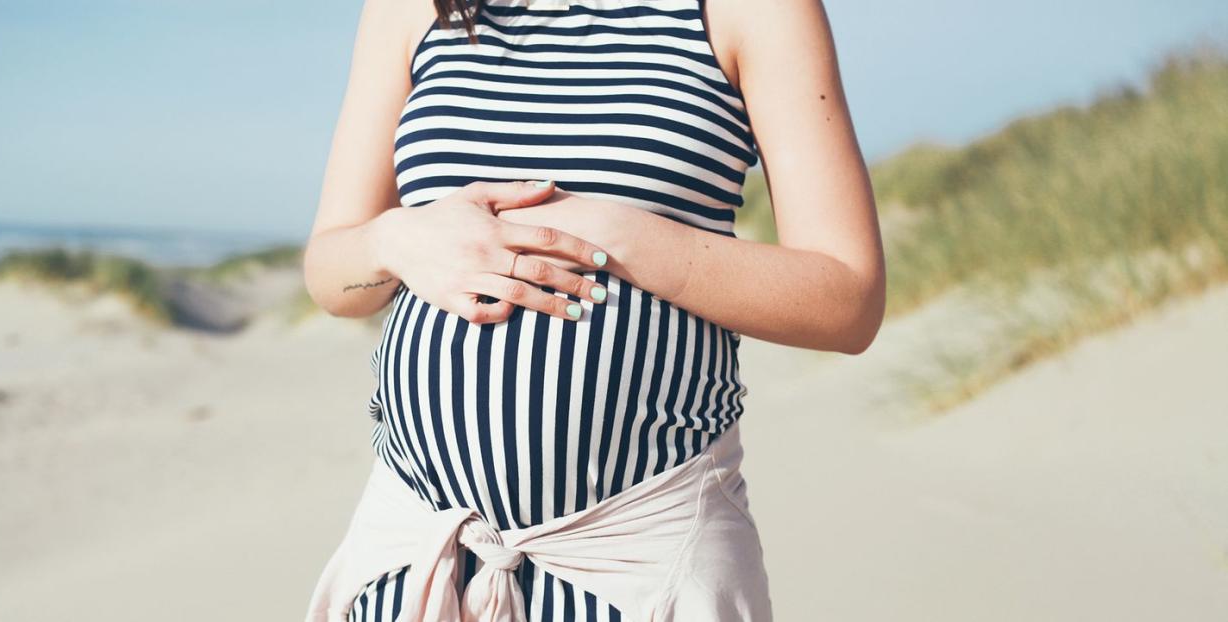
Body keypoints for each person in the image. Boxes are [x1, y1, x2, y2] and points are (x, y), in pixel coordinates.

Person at [302, 0, 884, 619]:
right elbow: (330, 274)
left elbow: (847, 300)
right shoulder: (412, 9)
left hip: (644, 568)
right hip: (419, 558)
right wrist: (394, 241)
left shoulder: (753, 11)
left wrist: (617, 235)